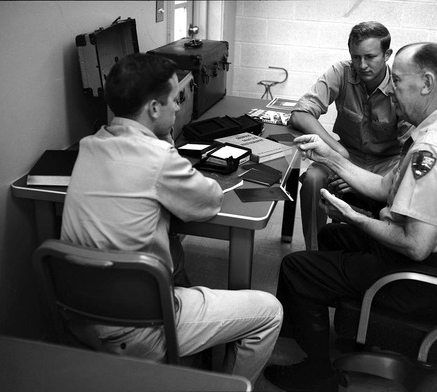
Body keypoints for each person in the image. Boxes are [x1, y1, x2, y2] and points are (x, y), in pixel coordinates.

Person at [264, 42, 437, 392]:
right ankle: (335, 326)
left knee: (297, 267)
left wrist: (354, 217)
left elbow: (415, 246)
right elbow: (386, 187)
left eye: (397, 80)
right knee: (332, 239)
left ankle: (318, 372)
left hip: (420, 276)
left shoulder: (431, 150)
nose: (392, 91)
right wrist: (331, 156)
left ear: (426, 83)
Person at [60, 53, 283, 386]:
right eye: (173, 100)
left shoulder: (89, 146)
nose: (178, 108)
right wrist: (169, 149)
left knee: (173, 250)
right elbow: (209, 202)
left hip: (78, 315)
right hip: (137, 329)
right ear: (153, 108)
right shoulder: (160, 158)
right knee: (268, 312)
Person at [291, 21, 412, 250]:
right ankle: (315, 252)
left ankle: (380, 254)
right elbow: (300, 114)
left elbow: (411, 148)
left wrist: (360, 181)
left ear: (387, 54)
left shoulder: (400, 86)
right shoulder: (341, 72)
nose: (362, 65)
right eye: (356, 57)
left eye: (370, 57)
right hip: (346, 155)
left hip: (387, 164)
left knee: (403, 189)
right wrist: (338, 152)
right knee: (312, 179)